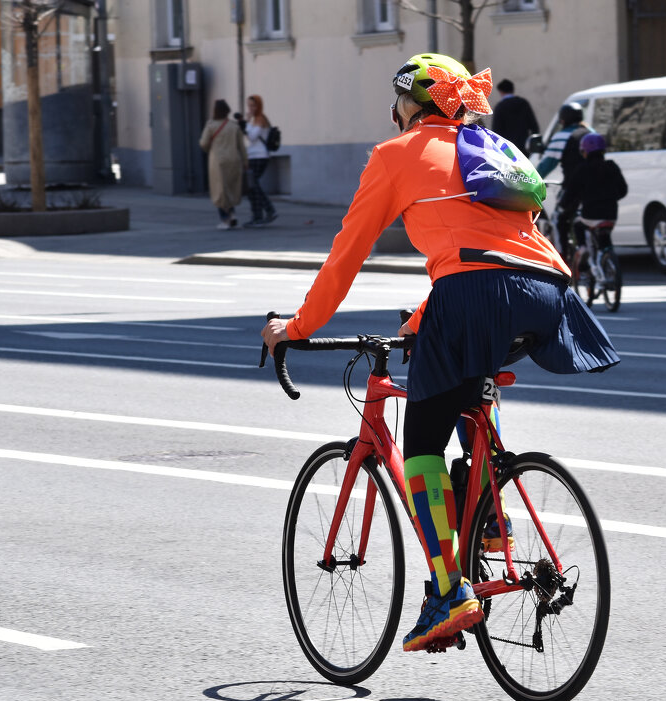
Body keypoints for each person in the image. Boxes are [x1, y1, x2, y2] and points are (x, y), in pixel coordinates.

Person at [261, 53, 619, 654]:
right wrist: (427, 317)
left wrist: (298, 325)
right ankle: (490, 515)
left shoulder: (395, 155)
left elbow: (347, 255)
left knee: (423, 439)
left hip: (476, 291)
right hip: (550, 291)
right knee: (470, 380)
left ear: (409, 105)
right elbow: (493, 245)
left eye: (397, 103)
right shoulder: (490, 146)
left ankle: (449, 592)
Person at [560, 132, 627, 274]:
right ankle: (607, 258)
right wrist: (611, 198)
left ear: (585, 152)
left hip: (590, 215)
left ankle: (583, 248)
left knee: (578, 224)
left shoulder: (582, 170)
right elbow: (623, 190)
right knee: (604, 238)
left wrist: (563, 206)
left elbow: (570, 194)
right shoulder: (612, 166)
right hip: (611, 214)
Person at [536, 102, 589, 260]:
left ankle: (562, 257)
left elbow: (547, 164)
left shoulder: (562, 136)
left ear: (563, 120)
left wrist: (534, 179)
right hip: (595, 186)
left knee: (558, 219)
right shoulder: (590, 133)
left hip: (573, 187)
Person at [198, 99, 248, 230]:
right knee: (230, 188)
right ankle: (232, 214)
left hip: (218, 161)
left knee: (219, 190)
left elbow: (203, 143)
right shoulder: (234, 126)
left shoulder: (211, 125)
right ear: (227, 110)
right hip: (234, 159)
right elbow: (241, 146)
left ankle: (225, 219)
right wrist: (245, 161)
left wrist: (209, 148)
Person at [242, 94, 278, 226]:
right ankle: (259, 214)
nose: (250, 108)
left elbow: (251, 137)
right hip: (253, 155)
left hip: (260, 156)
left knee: (253, 185)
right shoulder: (255, 119)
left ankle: (267, 210)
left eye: (253, 105)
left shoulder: (260, 119)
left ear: (258, 106)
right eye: (249, 105)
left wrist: (245, 122)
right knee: (252, 186)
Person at [489, 78, 539, 152]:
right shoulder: (523, 103)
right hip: (524, 147)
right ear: (512, 90)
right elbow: (534, 126)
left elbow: (496, 131)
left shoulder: (500, 107)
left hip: (508, 150)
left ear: (501, 92)